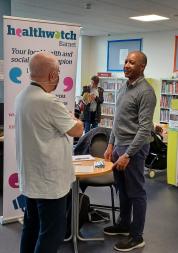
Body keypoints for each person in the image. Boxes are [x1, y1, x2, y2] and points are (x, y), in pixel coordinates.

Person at [15, 52, 83, 253]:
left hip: (31, 178)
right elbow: (77, 129)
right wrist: (74, 119)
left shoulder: (22, 96)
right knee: (52, 233)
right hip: (49, 182)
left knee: (32, 227)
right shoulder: (49, 102)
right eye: (59, 72)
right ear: (53, 75)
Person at [103, 51, 156, 252]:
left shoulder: (146, 92)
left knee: (136, 193)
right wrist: (110, 144)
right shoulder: (123, 87)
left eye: (131, 63)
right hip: (118, 146)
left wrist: (128, 154)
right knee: (122, 190)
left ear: (142, 67)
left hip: (134, 148)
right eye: (125, 61)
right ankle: (124, 224)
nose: (126, 65)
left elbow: (144, 129)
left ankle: (136, 236)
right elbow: (117, 119)